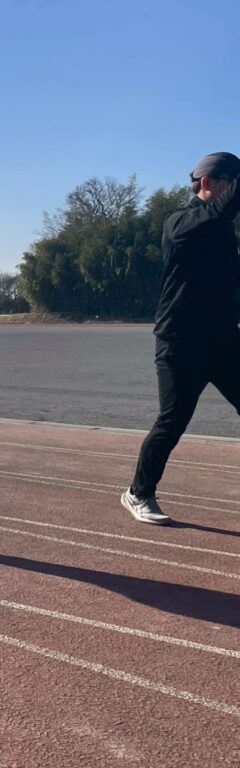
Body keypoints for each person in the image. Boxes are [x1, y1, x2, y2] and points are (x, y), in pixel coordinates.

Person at [121, 152, 240, 525]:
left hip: (223, 340)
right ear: (208, 184)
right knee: (173, 421)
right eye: (232, 184)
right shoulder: (180, 223)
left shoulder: (224, 230)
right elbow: (220, 211)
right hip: (181, 342)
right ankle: (138, 493)